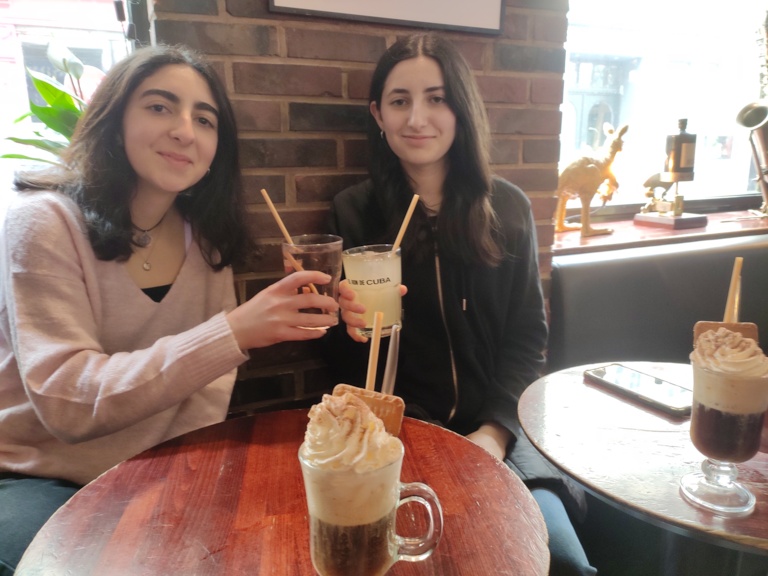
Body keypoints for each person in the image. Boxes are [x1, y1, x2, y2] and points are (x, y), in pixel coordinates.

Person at [0, 45, 337, 574]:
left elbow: (208, 387)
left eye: (204, 119)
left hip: (155, 469)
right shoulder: (43, 222)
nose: (184, 131)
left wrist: (185, 481)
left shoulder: (203, 236)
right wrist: (233, 332)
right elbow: (65, 400)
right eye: (159, 107)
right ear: (115, 122)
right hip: (36, 476)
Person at [327, 33, 596, 575]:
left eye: (437, 98)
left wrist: (493, 434)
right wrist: (340, 319)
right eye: (399, 101)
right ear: (378, 114)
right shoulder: (353, 212)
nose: (417, 118)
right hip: (403, 437)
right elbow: (345, 363)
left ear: (461, 109)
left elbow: (528, 337)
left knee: (559, 561)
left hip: (504, 430)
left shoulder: (508, 208)